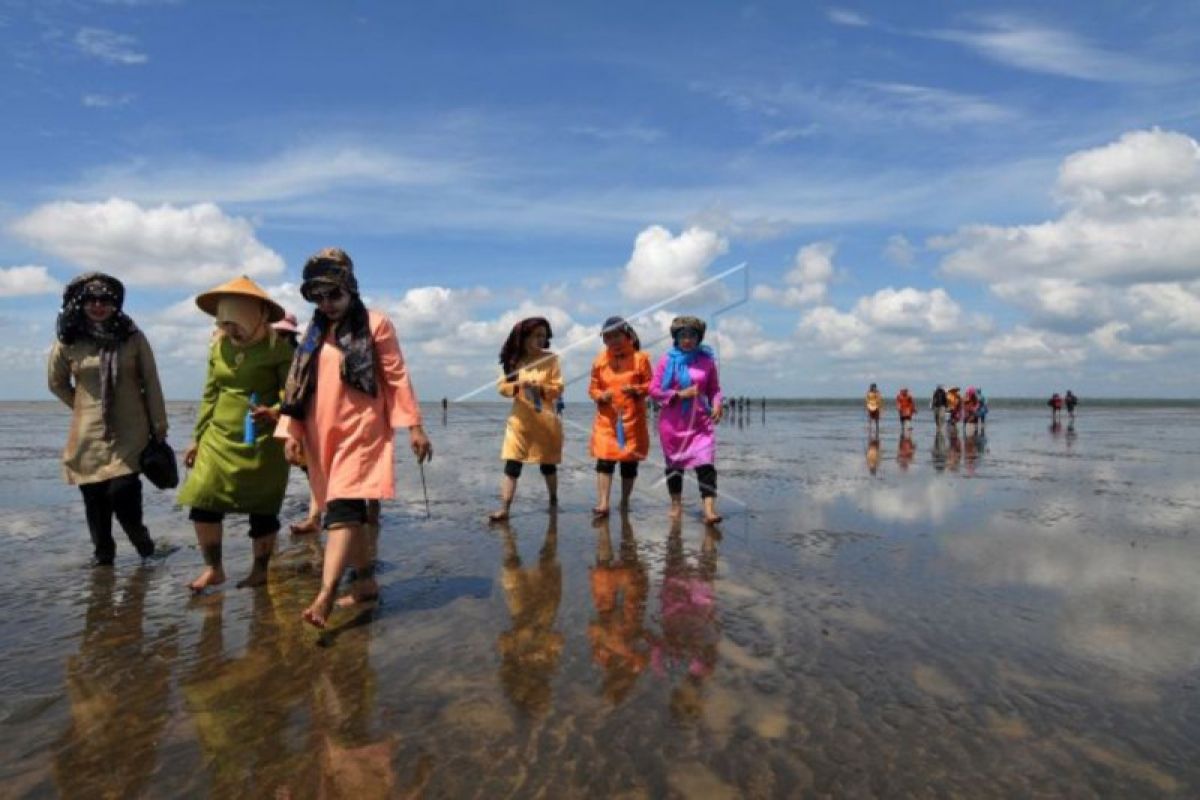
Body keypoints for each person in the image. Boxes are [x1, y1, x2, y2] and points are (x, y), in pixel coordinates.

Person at [277, 248, 432, 628]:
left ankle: (326, 593)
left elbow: (395, 376)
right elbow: (298, 386)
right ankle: (364, 583)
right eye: (319, 297)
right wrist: (291, 431)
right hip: (319, 431)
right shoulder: (313, 334)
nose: (327, 304)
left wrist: (414, 426)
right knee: (343, 508)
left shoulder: (377, 325)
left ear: (350, 289)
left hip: (362, 429)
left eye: (335, 295)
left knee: (344, 507)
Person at [178, 276, 292, 592]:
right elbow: (210, 394)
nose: (231, 331)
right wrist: (197, 438)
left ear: (255, 318)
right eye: (225, 324)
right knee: (202, 500)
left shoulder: (279, 351)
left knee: (263, 508)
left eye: (236, 324)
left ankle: (260, 570)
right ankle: (214, 568)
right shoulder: (218, 348)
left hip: (263, 441)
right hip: (218, 437)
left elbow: (294, 395)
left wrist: (275, 411)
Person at [48, 273, 168, 566]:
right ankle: (103, 559)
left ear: (116, 305)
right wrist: (81, 406)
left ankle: (144, 546)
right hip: (87, 433)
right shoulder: (69, 340)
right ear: (81, 303)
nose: (99, 306)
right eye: (92, 300)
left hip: (131, 428)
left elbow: (150, 382)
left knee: (123, 491)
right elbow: (57, 382)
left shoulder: (132, 337)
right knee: (94, 497)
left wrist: (159, 426)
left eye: (106, 300)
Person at [648, 316, 724, 524]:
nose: (687, 340)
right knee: (674, 467)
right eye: (683, 335)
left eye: (692, 335)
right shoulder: (666, 361)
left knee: (706, 465)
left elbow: (714, 389)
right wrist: (680, 394)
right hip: (673, 425)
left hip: (700, 423)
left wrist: (717, 404)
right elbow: (653, 390)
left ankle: (709, 510)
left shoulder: (707, 361)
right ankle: (676, 504)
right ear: (676, 338)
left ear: (699, 338)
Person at [489, 317, 563, 522]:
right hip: (520, 422)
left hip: (545, 421)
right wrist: (519, 384)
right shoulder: (514, 360)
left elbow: (558, 387)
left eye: (544, 336)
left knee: (548, 464)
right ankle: (504, 509)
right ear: (524, 337)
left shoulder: (551, 359)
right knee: (512, 464)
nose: (541, 339)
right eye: (536, 335)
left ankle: (553, 500)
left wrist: (540, 388)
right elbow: (502, 388)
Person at [588, 316, 652, 517]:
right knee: (604, 461)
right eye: (608, 337)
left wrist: (637, 389)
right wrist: (600, 395)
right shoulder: (599, 360)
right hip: (607, 420)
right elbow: (593, 387)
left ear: (627, 335)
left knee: (629, 463)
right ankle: (603, 503)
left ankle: (624, 501)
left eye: (616, 336)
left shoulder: (641, 358)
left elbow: (652, 385)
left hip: (632, 420)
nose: (613, 341)